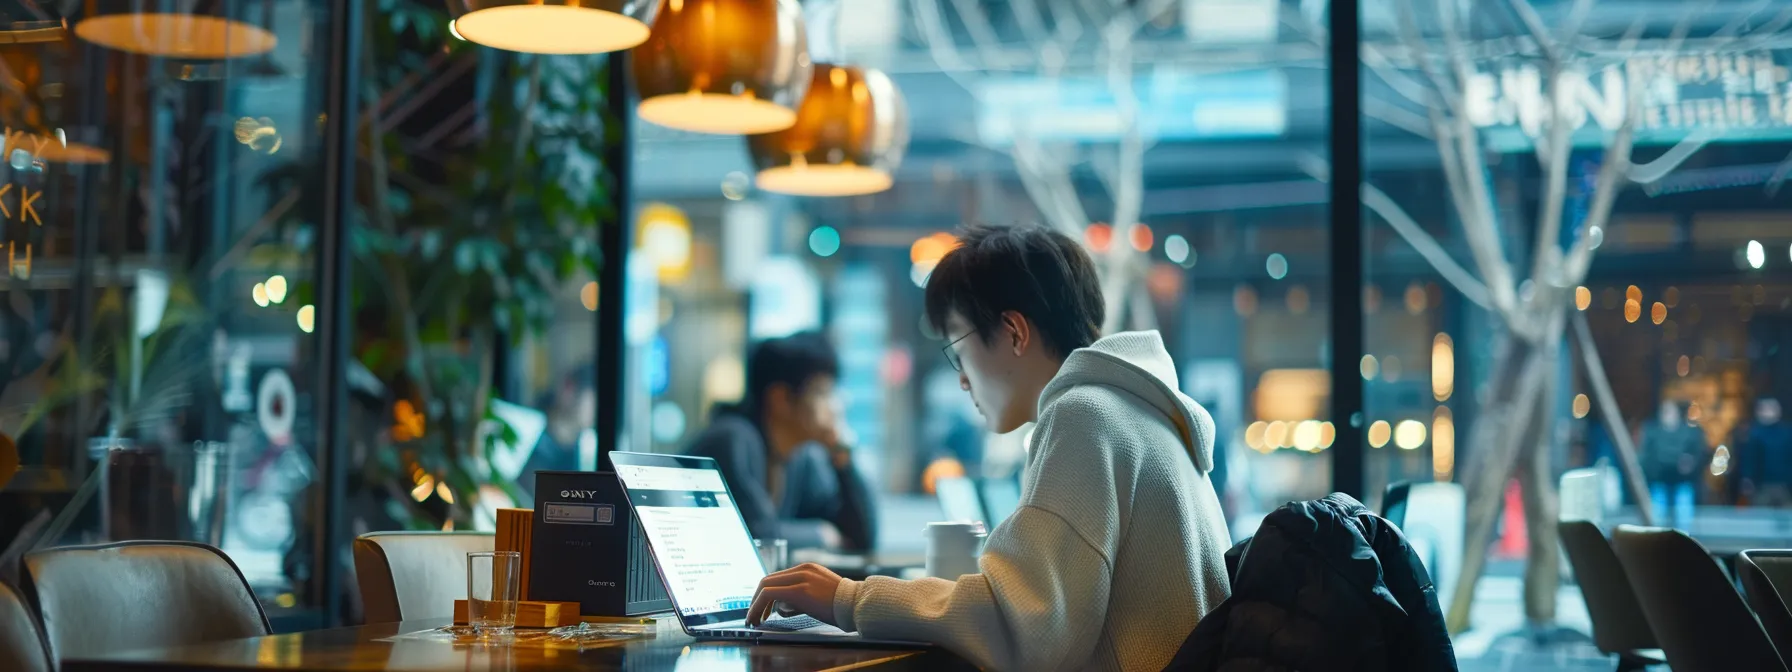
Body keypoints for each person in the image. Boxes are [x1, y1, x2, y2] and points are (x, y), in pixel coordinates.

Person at [746, 224, 1232, 671]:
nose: (961, 378)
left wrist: (848, 599)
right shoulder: (1137, 411)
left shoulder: (1085, 416)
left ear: (1014, 333)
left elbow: (1026, 628)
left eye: (960, 350)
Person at [685, 332, 877, 552]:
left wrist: (843, 457)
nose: (836, 405)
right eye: (823, 392)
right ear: (781, 399)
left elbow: (860, 539)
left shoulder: (801, 458)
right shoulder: (732, 439)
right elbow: (750, 535)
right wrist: (820, 535)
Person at [1642, 400, 1705, 525]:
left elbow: (1698, 453)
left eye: (1670, 411)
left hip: (1682, 480)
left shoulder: (1689, 433)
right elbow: (1647, 456)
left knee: (1683, 517)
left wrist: (1690, 463)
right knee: (1657, 517)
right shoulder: (1653, 432)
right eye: (1664, 412)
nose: (1667, 415)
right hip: (1659, 480)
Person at [1744, 397, 1792, 507]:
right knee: (1762, 517)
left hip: (1785, 485)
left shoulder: (1787, 433)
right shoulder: (1754, 434)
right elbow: (1750, 459)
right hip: (1762, 486)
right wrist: (1748, 479)